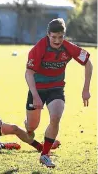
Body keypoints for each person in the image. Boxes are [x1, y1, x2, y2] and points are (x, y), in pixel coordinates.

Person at [24, 18, 92, 168]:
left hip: (56, 88)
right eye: (54, 37)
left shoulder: (68, 47)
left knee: (55, 117)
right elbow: (29, 73)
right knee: (31, 127)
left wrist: (86, 89)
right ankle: (28, 125)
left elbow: (88, 62)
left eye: (60, 37)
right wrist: (35, 95)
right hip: (38, 89)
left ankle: (45, 155)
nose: (57, 40)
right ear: (48, 35)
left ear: (64, 35)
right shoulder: (39, 48)